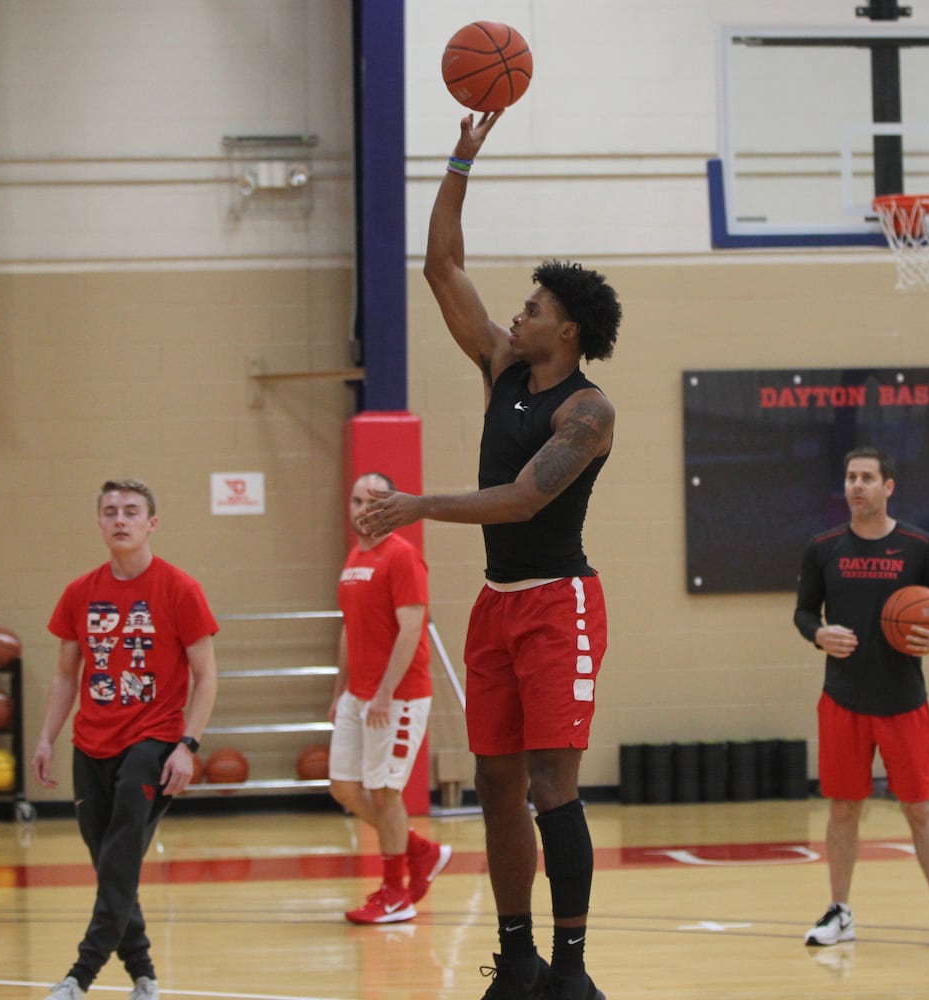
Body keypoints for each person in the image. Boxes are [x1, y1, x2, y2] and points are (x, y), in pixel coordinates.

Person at [356, 111, 621, 1000]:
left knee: (552, 783)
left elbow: (524, 499)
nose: (520, 311)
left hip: (558, 602)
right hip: (497, 603)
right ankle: (516, 962)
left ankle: (573, 971)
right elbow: (440, 266)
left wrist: (417, 505)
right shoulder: (503, 366)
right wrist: (461, 159)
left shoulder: (589, 411)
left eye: (536, 307)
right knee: (498, 783)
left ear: (569, 332)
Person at [32, 479, 219, 1000]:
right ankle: (144, 975)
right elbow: (66, 676)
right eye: (110, 511)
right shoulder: (79, 593)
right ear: (98, 522)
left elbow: (207, 676)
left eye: (131, 511)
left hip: (152, 743)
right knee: (111, 862)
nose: (120, 519)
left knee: (118, 859)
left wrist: (188, 745)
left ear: (151, 523)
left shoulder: (180, 589)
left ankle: (79, 977)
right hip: (90, 743)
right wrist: (46, 738)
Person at [793, 446, 929, 953]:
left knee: (920, 810)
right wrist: (818, 634)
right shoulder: (823, 547)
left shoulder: (919, 547)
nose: (857, 485)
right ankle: (840, 911)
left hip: (904, 701)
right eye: (851, 477)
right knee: (843, 810)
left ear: (888, 487)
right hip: (843, 700)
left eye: (868, 477)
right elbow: (804, 613)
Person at [328, 471, 451, 924]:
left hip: (397, 697)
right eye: (357, 500)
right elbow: (350, 629)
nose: (363, 509)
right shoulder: (355, 558)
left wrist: (383, 693)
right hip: (357, 696)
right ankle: (422, 851)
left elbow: (412, 627)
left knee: (383, 791)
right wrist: (340, 692)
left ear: (389, 507)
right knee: (343, 785)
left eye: (373, 501)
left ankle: (395, 893)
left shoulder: (402, 557)